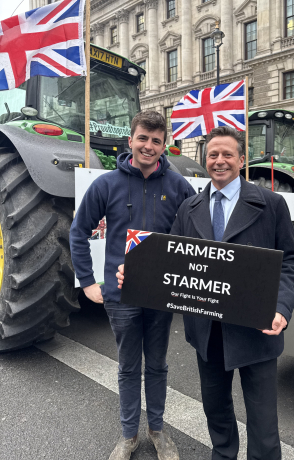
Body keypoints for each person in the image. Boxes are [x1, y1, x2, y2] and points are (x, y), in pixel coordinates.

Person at [118, 125, 294, 460]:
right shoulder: (189, 208)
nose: (219, 161)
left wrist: (282, 307)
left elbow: (291, 263)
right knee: (216, 413)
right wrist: (135, 274)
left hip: (256, 331)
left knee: (263, 425)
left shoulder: (272, 204)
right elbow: (170, 262)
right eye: (213, 155)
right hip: (207, 332)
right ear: (206, 160)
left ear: (241, 160)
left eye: (227, 154)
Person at [70, 110, 195, 460]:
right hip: (120, 296)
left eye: (156, 140)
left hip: (161, 294)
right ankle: (129, 435)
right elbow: (78, 231)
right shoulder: (106, 184)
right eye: (143, 138)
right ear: (131, 141)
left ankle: (156, 429)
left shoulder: (178, 186)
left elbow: (194, 237)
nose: (149, 146)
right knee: (128, 366)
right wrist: (87, 283)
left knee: (157, 364)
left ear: (164, 144)